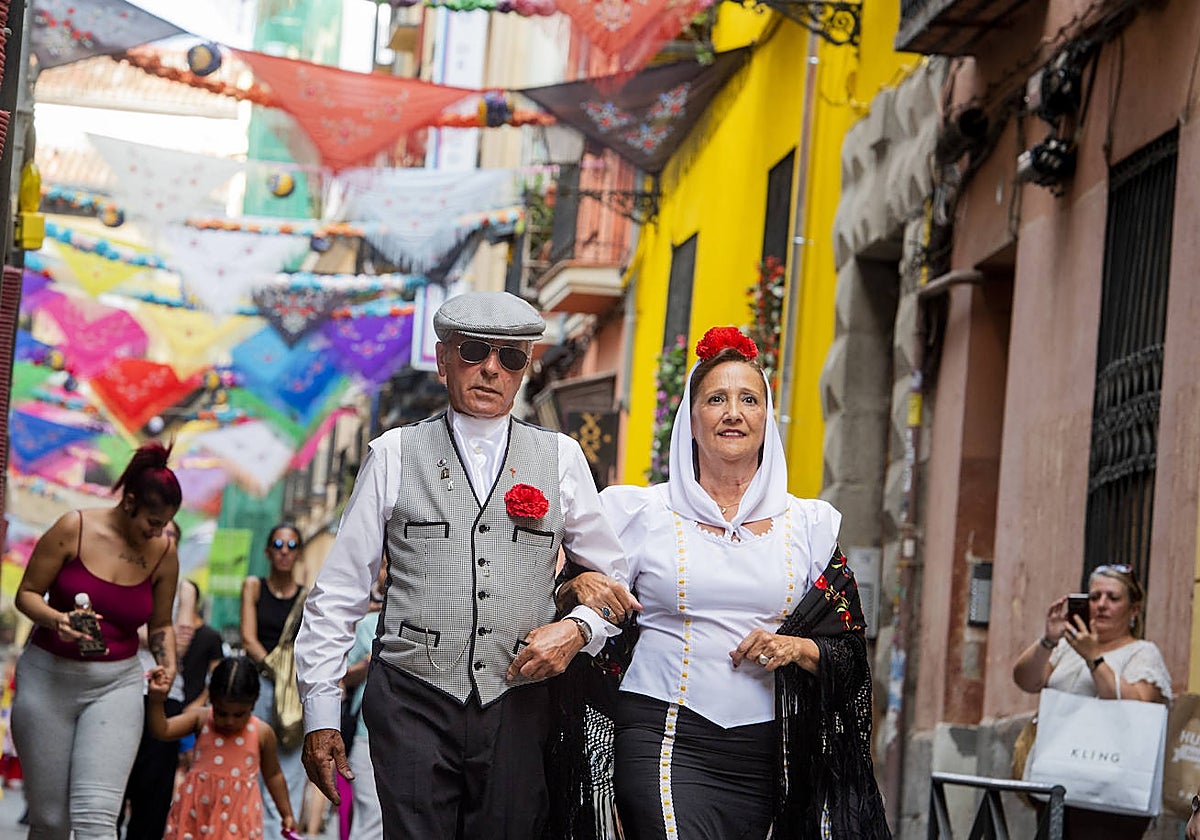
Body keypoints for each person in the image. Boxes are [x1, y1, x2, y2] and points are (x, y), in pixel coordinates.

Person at [295, 290, 637, 840]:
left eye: (510, 357)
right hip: (412, 696)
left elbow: (611, 583)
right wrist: (320, 714)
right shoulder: (393, 453)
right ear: (442, 358)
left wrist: (577, 631)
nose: (491, 369)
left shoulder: (561, 457)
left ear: (526, 368)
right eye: (474, 351)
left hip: (519, 701)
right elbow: (339, 592)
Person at [559, 326, 889, 839]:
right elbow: (575, 590)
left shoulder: (810, 527)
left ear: (767, 419)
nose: (733, 412)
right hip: (661, 732)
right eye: (716, 399)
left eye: (749, 399)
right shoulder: (639, 513)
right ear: (691, 421)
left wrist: (794, 647)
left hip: (770, 753)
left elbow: (847, 650)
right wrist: (577, 590)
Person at [12, 441, 181, 839]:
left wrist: (168, 664)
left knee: (97, 818)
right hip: (48, 679)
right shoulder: (73, 528)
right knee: (50, 820)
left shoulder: (163, 553)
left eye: (165, 524)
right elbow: (27, 594)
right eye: (152, 522)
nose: (157, 532)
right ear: (129, 502)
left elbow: (160, 625)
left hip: (116, 685)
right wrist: (57, 620)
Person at [1012, 563, 1171, 839]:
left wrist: (1093, 657)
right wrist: (1048, 640)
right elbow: (1026, 681)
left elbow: (1135, 707)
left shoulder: (1143, 653)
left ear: (1133, 610)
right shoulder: (1068, 648)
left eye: (1113, 598)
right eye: (1094, 597)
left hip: (1112, 794)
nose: (1101, 605)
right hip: (1058, 782)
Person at [147, 655, 297, 839]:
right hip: (197, 814)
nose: (229, 721)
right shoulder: (201, 719)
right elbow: (162, 730)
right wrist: (156, 700)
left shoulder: (262, 733)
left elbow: (273, 775)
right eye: (221, 713)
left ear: (253, 703)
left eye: (239, 714)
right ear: (211, 699)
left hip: (238, 819)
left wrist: (287, 813)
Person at [240, 524, 309, 839]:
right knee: (254, 760)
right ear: (268, 551)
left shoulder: (306, 597)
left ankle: (282, 831)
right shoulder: (254, 586)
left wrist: (289, 680)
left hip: (293, 690)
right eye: (278, 544)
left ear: (298, 553)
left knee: (290, 764)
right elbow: (248, 638)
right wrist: (275, 671)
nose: (284, 551)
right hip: (262, 684)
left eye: (291, 546)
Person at [339, 567, 387, 840]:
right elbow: (343, 676)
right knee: (372, 816)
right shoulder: (368, 624)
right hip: (366, 733)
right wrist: (368, 663)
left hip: (410, 733)